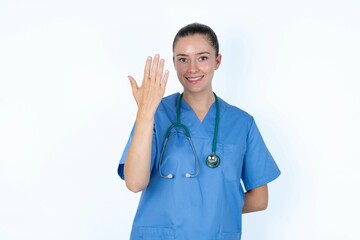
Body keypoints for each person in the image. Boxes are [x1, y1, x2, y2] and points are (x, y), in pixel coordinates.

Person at [118, 22, 281, 240]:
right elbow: (135, 183)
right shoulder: (155, 113)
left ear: (218, 61)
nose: (192, 68)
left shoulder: (242, 123)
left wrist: (209, 212)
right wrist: (145, 115)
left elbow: (260, 199)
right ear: (174, 63)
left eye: (202, 58)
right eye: (183, 59)